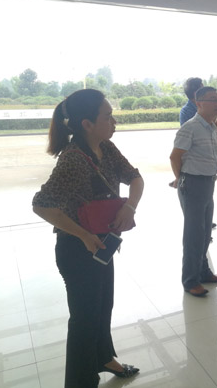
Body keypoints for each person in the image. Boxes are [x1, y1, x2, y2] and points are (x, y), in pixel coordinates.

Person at [32, 89, 144, 387]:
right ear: (87, 124)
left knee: (103, 307)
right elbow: (41, 205)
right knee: (84, 319)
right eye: (107, 117)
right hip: (78, 250)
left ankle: (103, 358)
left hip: (103, 244)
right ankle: (80, 381)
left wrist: (130, 207)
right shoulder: (73, 160)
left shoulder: (106, 147)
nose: (114, 122)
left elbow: (135, 177)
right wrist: (83, 235)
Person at [170, 86, 217, 298]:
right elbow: (175, 156)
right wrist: (180, 178)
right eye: (212, 100)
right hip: (193, 184)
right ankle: (190, 280)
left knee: (204, 233)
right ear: (199, 103)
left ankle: (203, 272)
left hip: (208, 183)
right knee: (193, 235)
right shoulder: (191, 127)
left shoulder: (210, 126)